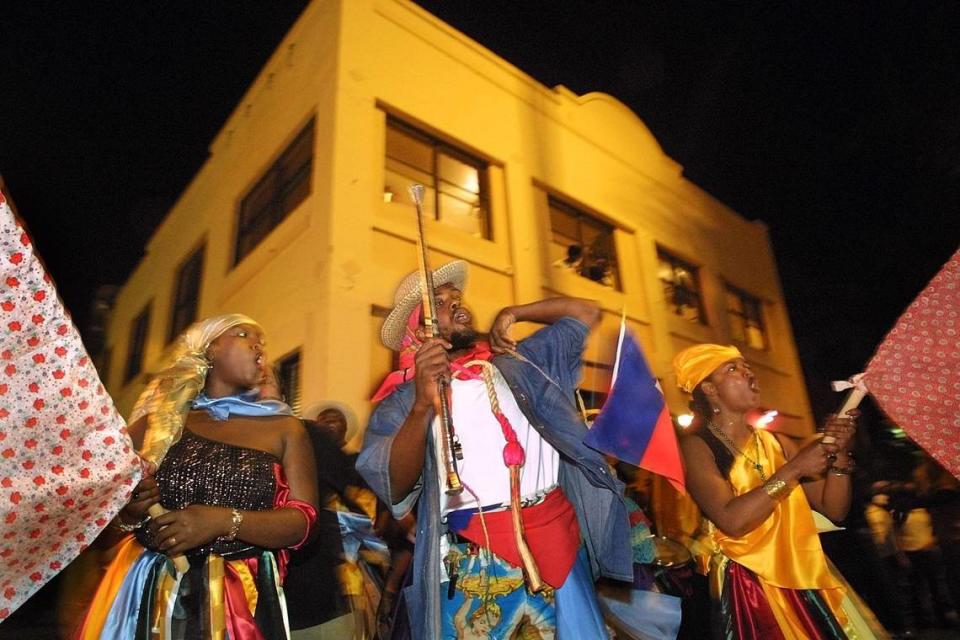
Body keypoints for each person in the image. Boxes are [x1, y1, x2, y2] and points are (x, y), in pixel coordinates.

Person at [357, 260, 631, 639]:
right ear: (420, 332)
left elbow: (586, 311)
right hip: (474, 560)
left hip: (557, 540)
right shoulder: (401, 401)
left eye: (457, 296)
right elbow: (394, 487)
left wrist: (515, 312)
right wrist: (422, 405)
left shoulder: (520, 363)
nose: (455, 302)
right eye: (439, 301)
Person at [77, 314, 319, 639]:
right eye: (244, 333)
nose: (258, 344)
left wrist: (222, 521)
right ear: (211, 350)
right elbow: (96, 513)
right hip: (150, 593)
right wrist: (131, 511)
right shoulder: (156, 423)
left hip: (238, 600)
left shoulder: (286, 428)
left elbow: (303, 522)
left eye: (262, 341)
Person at [674, 343, 879, 639]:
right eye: (733, 368)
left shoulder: (778, 443)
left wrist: (840, 457)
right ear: (708, 388)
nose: (748, 373)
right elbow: (732, 521)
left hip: (797, 572)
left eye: (747, 366)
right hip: (746, 584)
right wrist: (794, 469)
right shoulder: (696, 447)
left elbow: (833, 508)